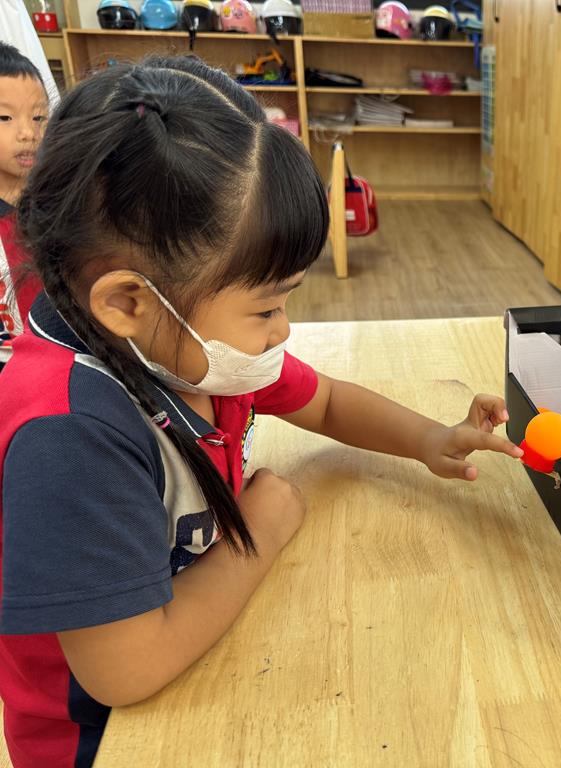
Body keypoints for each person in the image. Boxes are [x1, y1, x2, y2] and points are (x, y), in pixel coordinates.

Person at [0, 56, 523, 768]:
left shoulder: (187, 346)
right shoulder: (68, 437)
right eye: (267, 307)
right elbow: (125, 670)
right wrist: (260, 531)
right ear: (127, 301)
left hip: (198, 645)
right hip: (105, 741)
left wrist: (431, 438)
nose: (283, 331)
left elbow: (326, 401)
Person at [0, 41, 47, 366]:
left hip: (56, 358)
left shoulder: (55, 202)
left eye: (39, 117)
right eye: (5, 117)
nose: (28, 132)